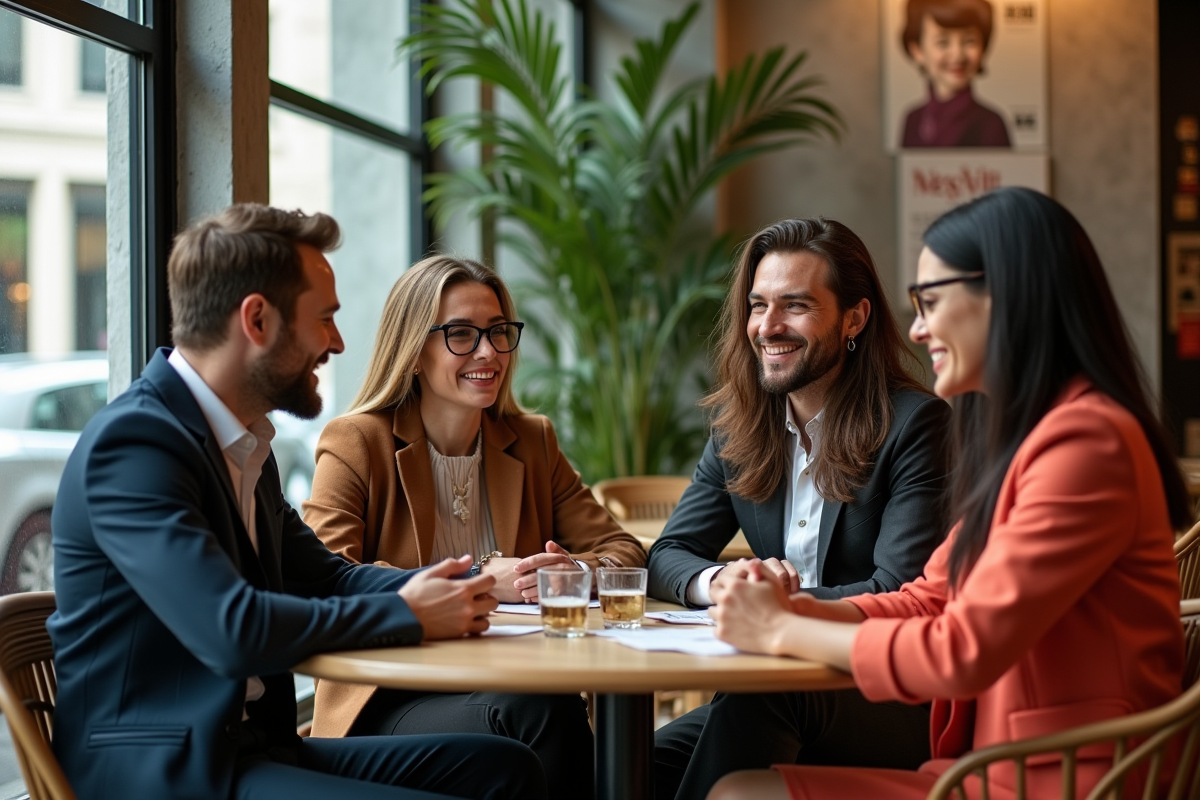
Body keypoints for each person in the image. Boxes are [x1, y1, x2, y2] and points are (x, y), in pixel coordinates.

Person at [706, 187, 1192, 800]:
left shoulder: (1087, 442)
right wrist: (798, 610)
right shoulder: (1031, 437)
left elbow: (961, 650)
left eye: (930, 301)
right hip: (997, 767)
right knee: (720, 780)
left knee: (736, 791)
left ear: (1007, 298)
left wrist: (780, 630)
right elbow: (929, 597)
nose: (915, 327)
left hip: (1066, 779)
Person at [47, 205, 547, 800]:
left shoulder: (241, 444)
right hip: (165, 775)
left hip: (251, 750)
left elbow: (325, 577)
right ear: (257, 320)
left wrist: (463, 584)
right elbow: (230, 628)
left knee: (507, 768)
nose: (336, 342)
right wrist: (411, 614)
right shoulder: (135, 445)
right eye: (325, 319)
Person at [303, 254, 646, 799]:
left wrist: (573, 570)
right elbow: (324, 576)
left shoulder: (531, 441)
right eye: (460, 334)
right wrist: (483, 576)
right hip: (390, 698)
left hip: (511, 682)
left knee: (565, 721)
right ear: (414, 349)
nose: (488, 352)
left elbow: (623, 549)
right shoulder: (356, 442)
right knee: (545, 715)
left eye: (498, 333)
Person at [648, 218, 952, 800]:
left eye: (795, 306)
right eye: (758, 305)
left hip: (887, 696)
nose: (768, 326)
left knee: (758, 704)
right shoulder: (737, 430)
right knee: (633, 767)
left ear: (854, 318)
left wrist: (772, 607)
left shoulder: (916, 425)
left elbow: (900, 589)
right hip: (771, 687)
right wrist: (719, 582)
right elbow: (668, 555)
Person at [899, 0, 1011, 148]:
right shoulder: (913, 120)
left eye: (969, 41)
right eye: (943, 42)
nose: (958, 56)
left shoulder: (991, 123)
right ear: (917, 50)